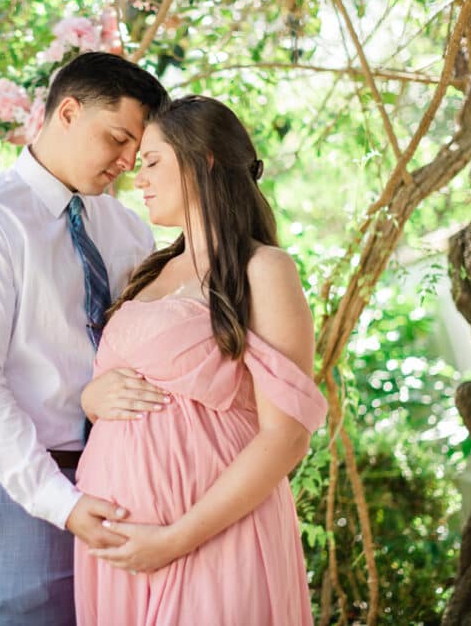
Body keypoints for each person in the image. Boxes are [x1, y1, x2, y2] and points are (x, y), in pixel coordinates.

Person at [0, 52, 169, 625]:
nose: (129, 161)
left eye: (139, 148)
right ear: (67, 112)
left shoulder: (126, 227)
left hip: (120, 482)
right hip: (19, 494)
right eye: (117, 138)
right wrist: (62, 502)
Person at [73, 95, 328, 625]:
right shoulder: (149, 271)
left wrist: (172, 540)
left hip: (211, 538)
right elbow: (125, 391)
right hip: (120, 547)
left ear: (204, 160)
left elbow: (286, 436)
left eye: (151, 161)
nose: (136, 177)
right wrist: (90, 399)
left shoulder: (264, 270)